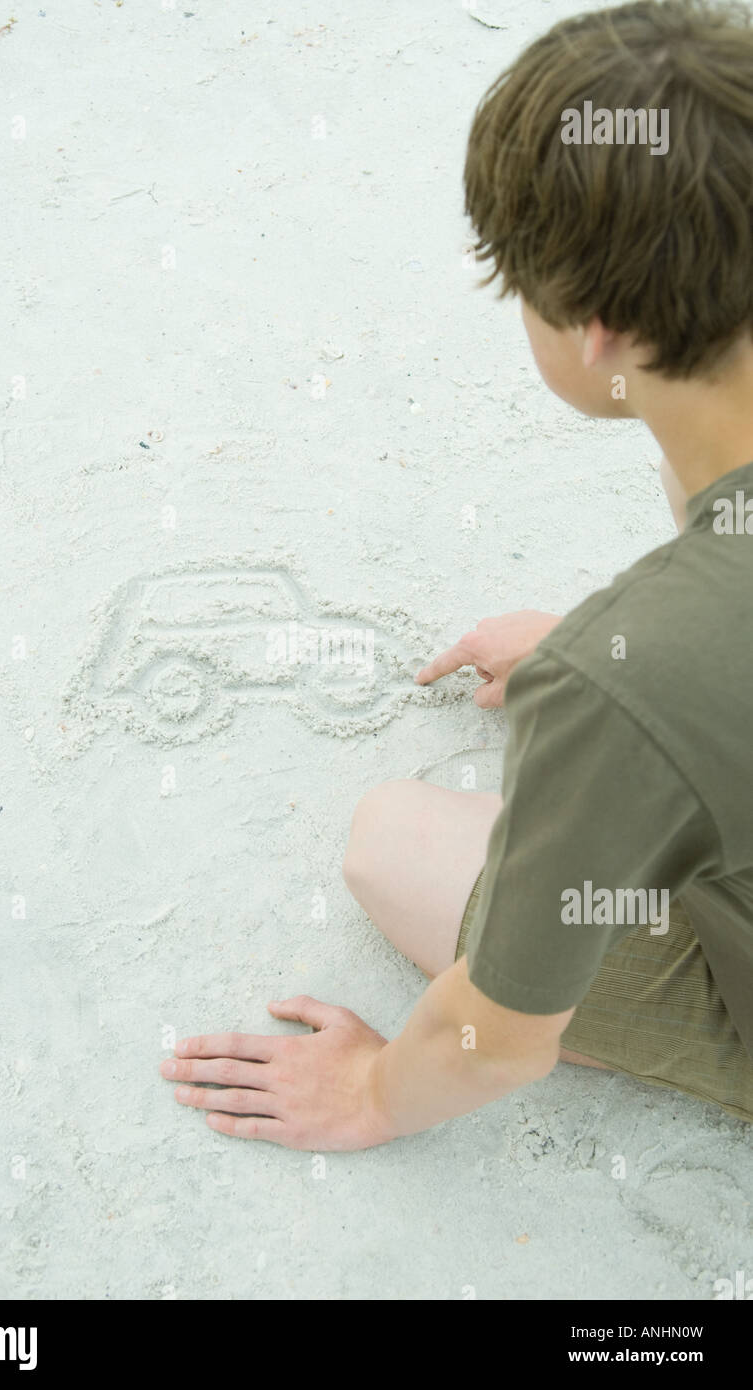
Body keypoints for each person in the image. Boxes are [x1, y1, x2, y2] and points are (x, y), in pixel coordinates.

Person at [160, 0, 753, 1145]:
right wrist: (639, 650)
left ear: (594, 329)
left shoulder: (607, 692)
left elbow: (505, 1033)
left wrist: (377, 1090)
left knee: (393, 841)